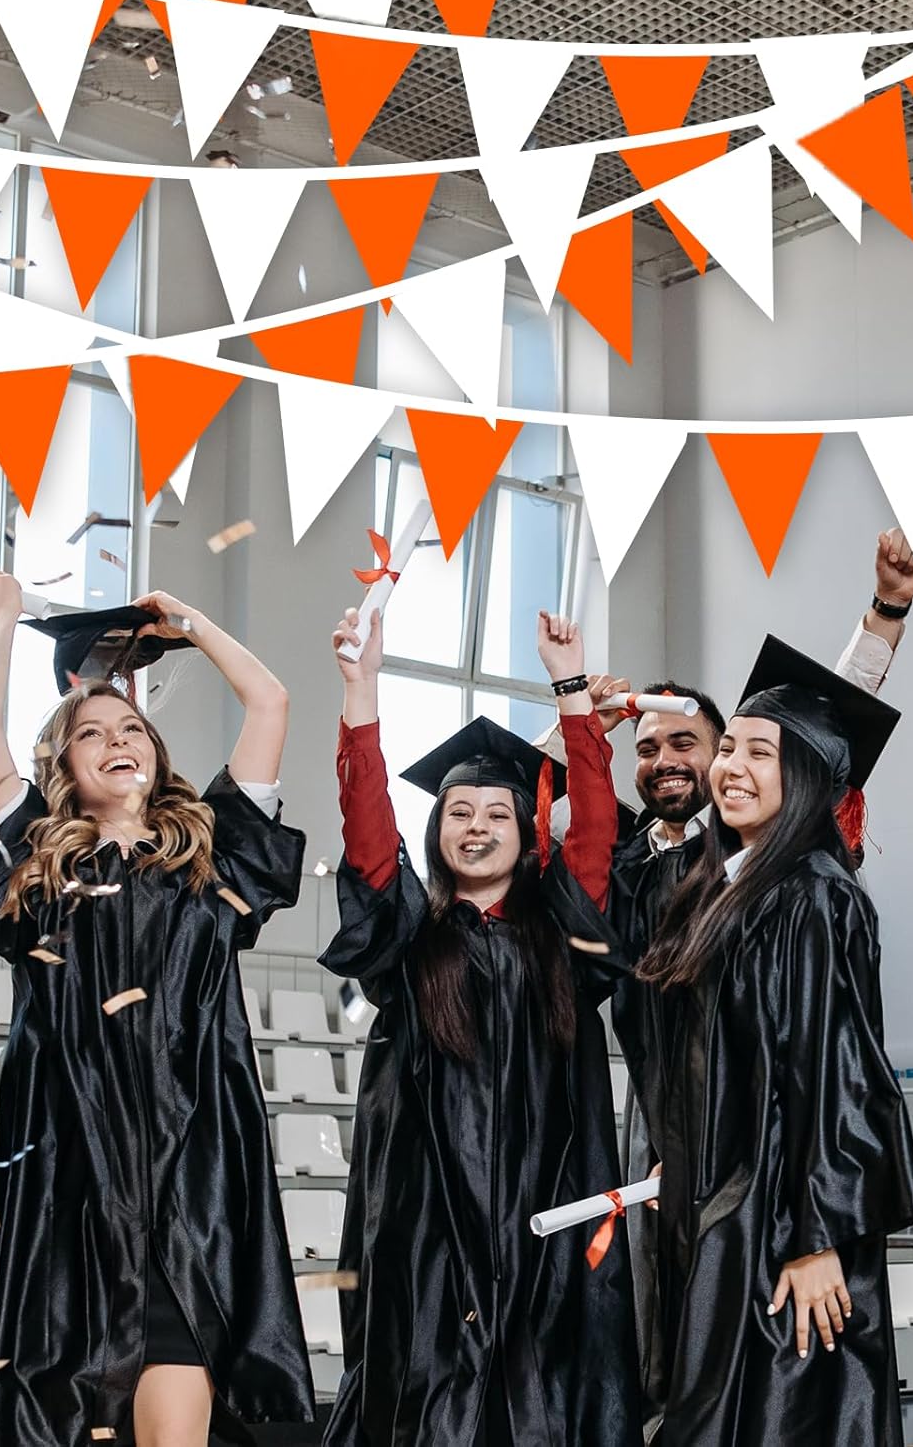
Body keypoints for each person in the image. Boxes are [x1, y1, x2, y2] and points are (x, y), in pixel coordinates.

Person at [0, 575, 314, 1447]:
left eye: (133, 728)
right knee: (59, 1404)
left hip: (194, 1176)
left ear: (157, 754)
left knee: (178, 1411)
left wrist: (192, 622)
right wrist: (0, 619)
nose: (117, 741)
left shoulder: (215, 861)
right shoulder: (36, 868)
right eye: (92, 735)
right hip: (71, 1179)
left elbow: (271, 701)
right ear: (63, 766)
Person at [320, 604, 642, 1447]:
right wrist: (362, 690)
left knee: (542, 1389)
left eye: (497, 814)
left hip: (548, 1206)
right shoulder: (407, 934)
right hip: (428, 1221)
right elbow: (367, 835)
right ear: (438, 829)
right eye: (459, 813)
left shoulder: (560, 934)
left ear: (526, 834)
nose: (476, 827)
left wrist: (572, 690)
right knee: (429, 1394)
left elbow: (599, 830)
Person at [635, 636, 913, 1447]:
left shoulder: (814, 896)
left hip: (787, 1225)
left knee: (788, 1417)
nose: (730, 766)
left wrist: (819, 1237)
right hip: (732, 1209)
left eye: (760, 753)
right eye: (729, 747)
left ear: (803, 779)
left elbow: (837, 1070)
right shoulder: (729, 892)